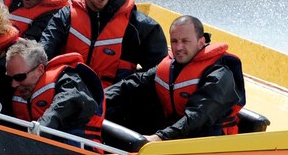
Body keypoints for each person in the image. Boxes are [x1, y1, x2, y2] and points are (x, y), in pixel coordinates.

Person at [104, 15, 245, 141]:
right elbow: (133, 84)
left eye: (185, 41)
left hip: (208, 142)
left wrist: (159, 137)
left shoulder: (219, 74)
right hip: (173, 134)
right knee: (127, 103)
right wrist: (99, 98)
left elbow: (198, 116)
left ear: (201, 42)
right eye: (174, 41)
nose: (178, 47)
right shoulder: (171, 65)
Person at [39, 0, 168, 88]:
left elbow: (161, 71)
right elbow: (43, 53)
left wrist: (126, 89)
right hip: (67, 91)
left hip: (116, 100)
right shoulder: (65, 16)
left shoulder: (138, 26)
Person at [6, 39, 105, 145]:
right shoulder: (17, 89)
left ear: (40, 70)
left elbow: (66, 103)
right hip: (36, 151)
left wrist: (40, 130)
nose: (14, 84)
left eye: (19, 77)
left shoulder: (69, 81)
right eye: (10, 78)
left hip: (80, 153)